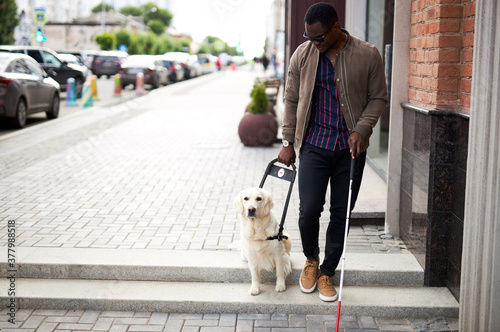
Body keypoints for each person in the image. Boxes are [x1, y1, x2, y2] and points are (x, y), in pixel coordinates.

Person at [277, 2, 387, 302]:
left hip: (350, 150)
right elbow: (290, 99)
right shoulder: (303, 54)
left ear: (336, 26)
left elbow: (378, 98)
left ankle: (327, 271)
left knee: (342, 214)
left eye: (320, 37)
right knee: (309, 209)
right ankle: (311, 260)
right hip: (313, 145)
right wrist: (288, 141)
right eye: (309, 37)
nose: (314, 43)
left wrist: (360, 129)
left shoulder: (368, 54)